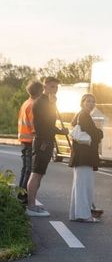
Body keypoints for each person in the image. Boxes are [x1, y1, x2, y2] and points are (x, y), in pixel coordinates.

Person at [25, 77, 67, 217]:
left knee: (40, 173)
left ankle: (33, 204)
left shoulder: (47, 103)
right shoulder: (41, 103)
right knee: (36, 172)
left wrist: (61, 131)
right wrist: (52, 105)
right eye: (51, 87)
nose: (54, 90)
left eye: (56, 87)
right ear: (45, 87)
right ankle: (30, 206)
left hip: (47, 140)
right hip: (42, 141)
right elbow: (47, 123)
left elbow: (49, 124)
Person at [68, 93, 103, 222]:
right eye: (88, 101)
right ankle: (84, 215)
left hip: (80, 156)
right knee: (84, 187)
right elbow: (96, 133)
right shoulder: (84, 116)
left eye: (93, 102)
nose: (91, 104)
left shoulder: (79, 115)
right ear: (82, 102)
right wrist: (100, 132)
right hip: (84, 156)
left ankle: (76, 214)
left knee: (79, 186)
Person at [17, 80, 42, 204]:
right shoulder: (34, 105)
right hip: (30, 140)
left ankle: (21, 195)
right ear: (39, 91)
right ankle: (23, 198)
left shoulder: (26, 103)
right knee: (29, 171)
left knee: (25, 169)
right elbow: (34, 125)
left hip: (24, 139)